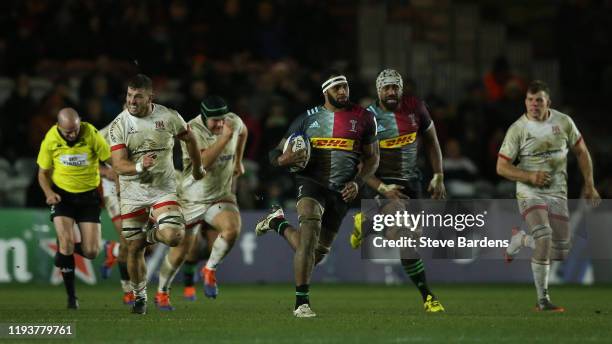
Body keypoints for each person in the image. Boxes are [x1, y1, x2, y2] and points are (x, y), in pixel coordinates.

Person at [256, 70, 379, 317]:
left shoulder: (365, 118)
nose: (343, 91)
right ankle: (301, 303)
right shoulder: (306, 119)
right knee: (309, 229)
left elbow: (373, 158)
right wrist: (285, 159)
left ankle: (278, 222)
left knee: (316, 254)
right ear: (326, 92)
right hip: (311, 182)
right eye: (337, 88)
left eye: (345, 87)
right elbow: (273, 154)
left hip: (343, 190)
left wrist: (358, 182)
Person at [497, 80, 600, 312]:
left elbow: (582, 152)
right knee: (543, 237)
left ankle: (521, 239)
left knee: (561, 249)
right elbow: (501, 167)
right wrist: (529, 176)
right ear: (525, 101)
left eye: (539, 100)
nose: (534, 104)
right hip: (529, 192)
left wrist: (590, 185)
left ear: (548, 102)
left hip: (557, 193)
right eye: (530, 100)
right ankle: (542, 300)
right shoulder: (518, 129)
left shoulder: (563, 122)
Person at [349, 69, 446, 312]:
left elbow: (432, 142)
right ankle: (428, 297)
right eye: (386, 87)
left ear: (401, 89)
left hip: (411, 183)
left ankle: (369, 222)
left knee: (410, 240)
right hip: (381, 183)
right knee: (402, 234)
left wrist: (438, 175)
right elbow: (358, 165)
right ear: (378, 90)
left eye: (395, 87)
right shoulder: (367, 118)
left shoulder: (416, 109)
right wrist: (382, 187)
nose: (391, 91)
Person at [108, 74, 204, 315]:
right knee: (134, 250)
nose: (132, 101)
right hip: (132, 194)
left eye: (138, 96)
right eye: (129, 96)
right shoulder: (119, 125)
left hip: (163, 190)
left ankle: (148, 235)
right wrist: (139, 166)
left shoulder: (169, 117)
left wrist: (197, 165)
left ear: (151, 97)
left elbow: (190, 138)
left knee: (173, 236)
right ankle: (140, 296)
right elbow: (118, 165)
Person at [154, 95, 247, 310]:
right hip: (191, 198)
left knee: (232, 229)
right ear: (204, 118)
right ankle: (161, 292)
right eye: (215, 121)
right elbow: (203, 163)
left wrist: (239, 161)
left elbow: (243, 132)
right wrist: (224, 139)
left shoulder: (233, 121)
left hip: (220, 195)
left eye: (223, 119)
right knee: (180, 252)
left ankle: (209, 269)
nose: (221, 124)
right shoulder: (191, 131)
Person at [36, 108, 111, 309]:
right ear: (59, 127)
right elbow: (42, 173)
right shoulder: (50, 139)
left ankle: (63, 252)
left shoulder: (91, 133)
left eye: (76, 130)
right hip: (63, 196)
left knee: (92, 251)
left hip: (89, 197)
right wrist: (48, 193)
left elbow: (110, 159)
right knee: (67, 243)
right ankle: (71, 298)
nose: (73, 134)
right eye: (68, 131)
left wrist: (118, 175)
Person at [98, 124, 134, 306]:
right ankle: (128, 290)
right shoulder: (104, 134)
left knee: (144, 243)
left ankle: (114, 250)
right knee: (128, 236)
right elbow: (86, 160)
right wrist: (105, 171)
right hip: (113, 189)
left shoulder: (148, 129)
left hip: (138, 187)